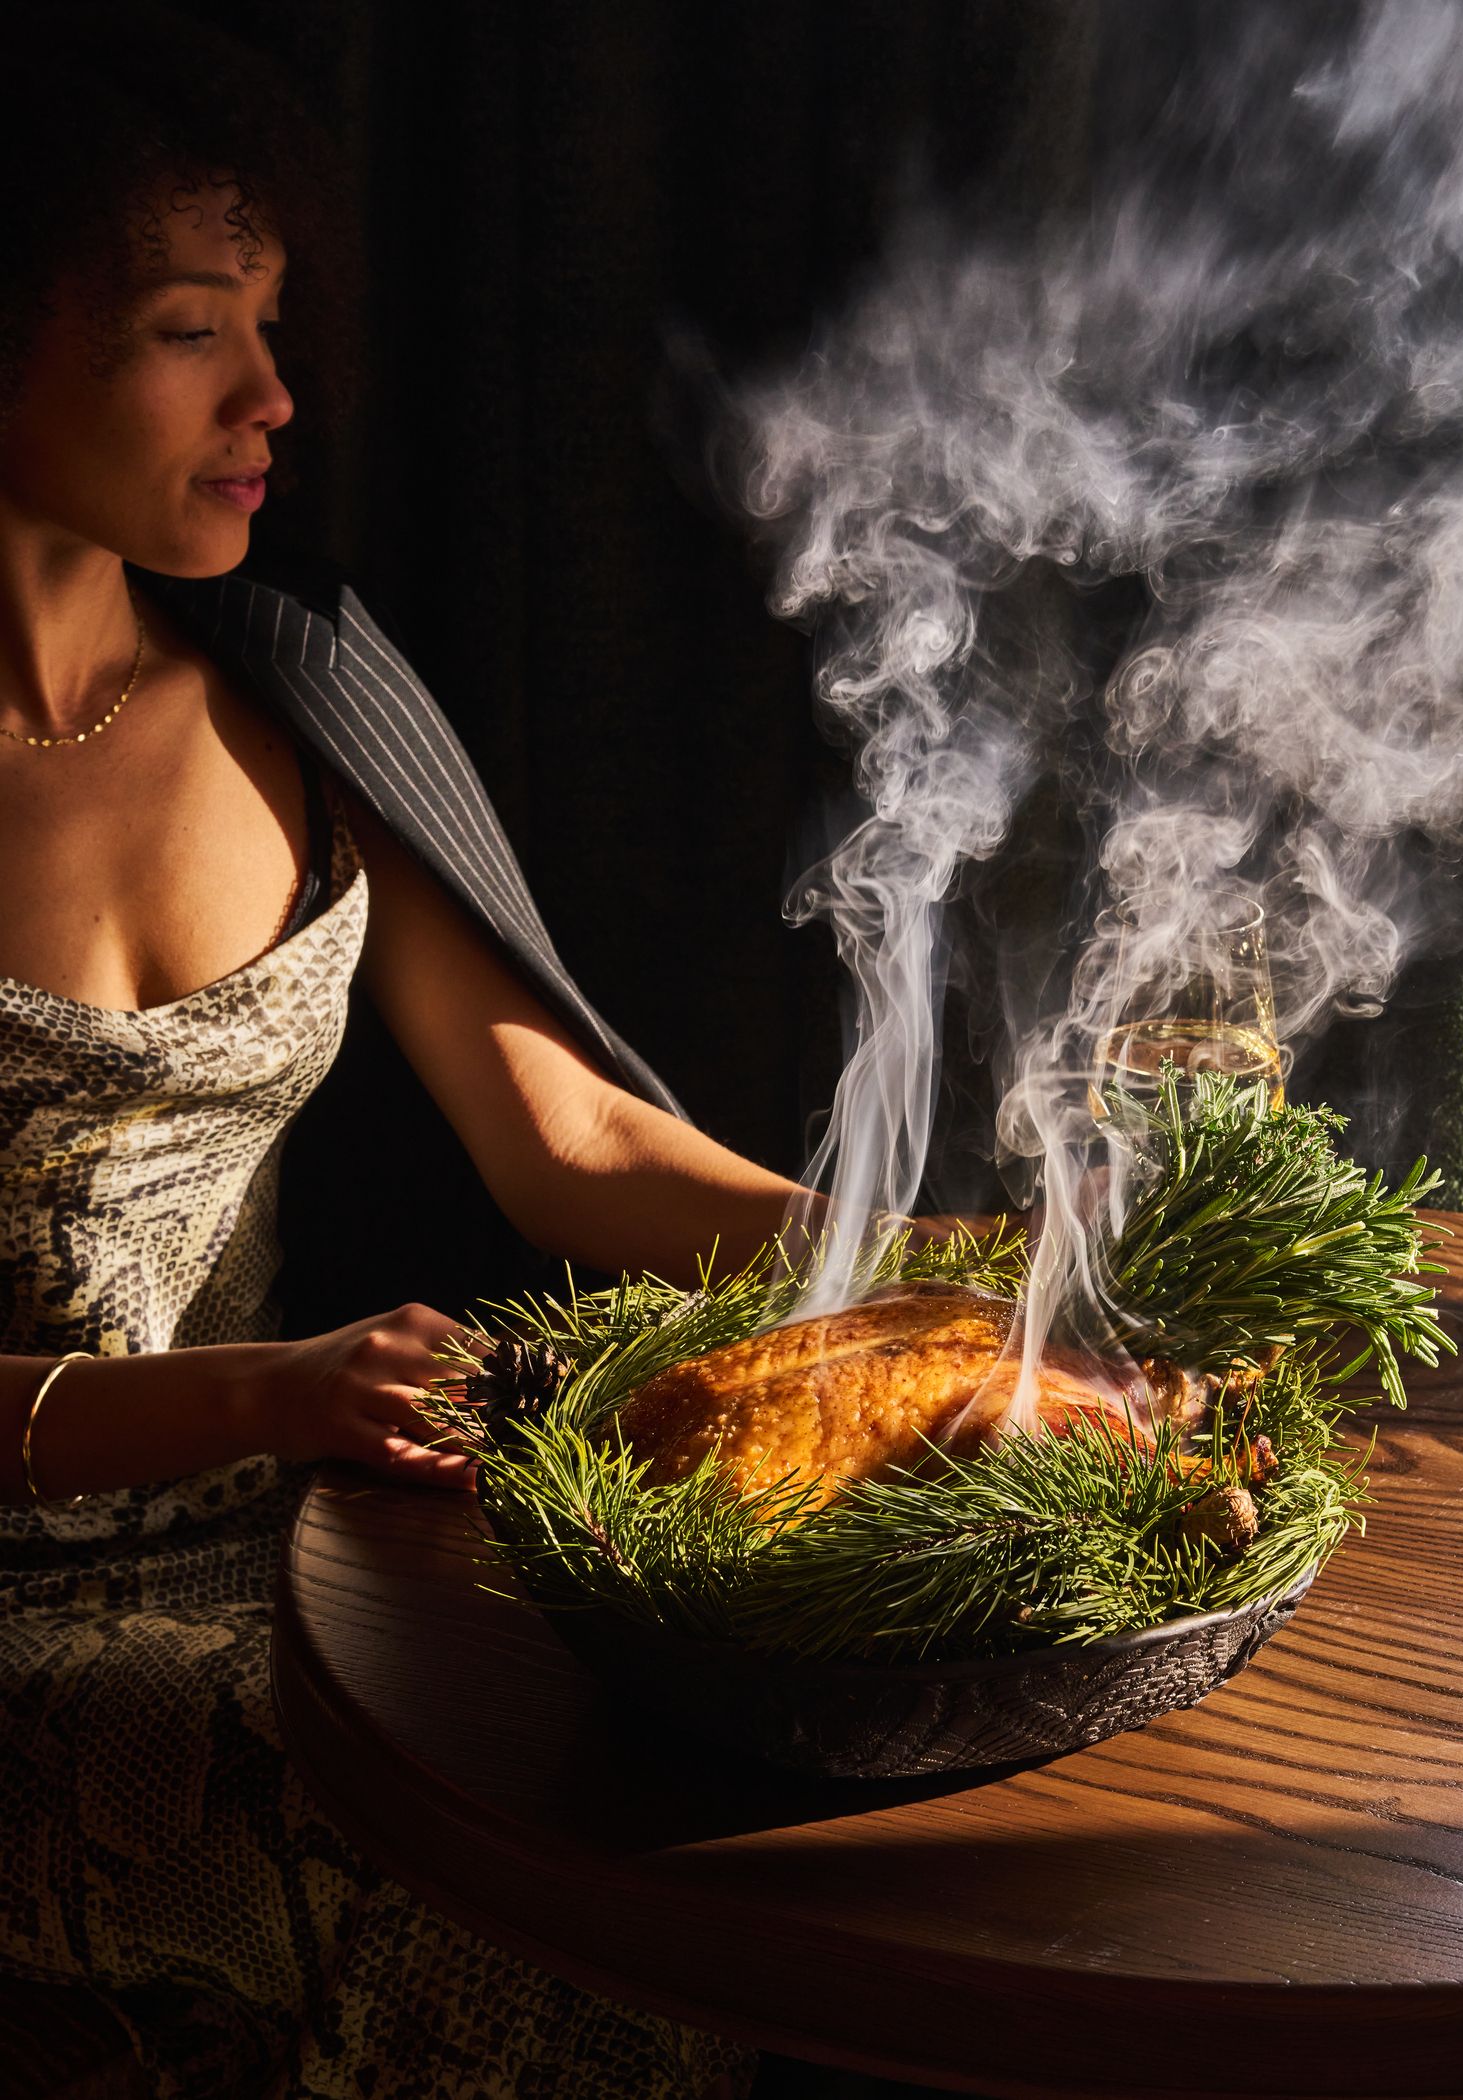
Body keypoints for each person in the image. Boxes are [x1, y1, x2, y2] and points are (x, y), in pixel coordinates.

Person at [0, 10, 893, 2098]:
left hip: (306, 1552)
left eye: (276, 327)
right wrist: (274, 1391)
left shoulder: (291, 672)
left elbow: (568, 1133)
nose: (274, 400)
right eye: (187, 330)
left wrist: (903, 1273)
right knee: (530, 1925)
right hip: (36, 1632)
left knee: (720, 1802)